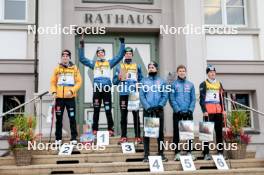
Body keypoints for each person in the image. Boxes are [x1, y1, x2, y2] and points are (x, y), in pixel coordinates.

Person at [79, 37, 125, 137]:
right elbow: (82, 59)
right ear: (97, 55)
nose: (100, 54)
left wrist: (122, 44)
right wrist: (81, 46)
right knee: (96, 109)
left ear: (104, 53)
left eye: (102, 52)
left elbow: (119, 56)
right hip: (97, 89)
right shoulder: (93, 63)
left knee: (108, 109)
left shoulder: (109, 63)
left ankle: (110, 129)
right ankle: (95, 129)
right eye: (99, 52)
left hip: (107, 89)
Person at [50, 49, 82, 145]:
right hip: (59, 98)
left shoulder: (75, 69)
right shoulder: (57, 69)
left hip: (70, 98)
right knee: (59, 119)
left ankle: (73, 138)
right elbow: (53, 82)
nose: (65, 57)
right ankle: (58, 138)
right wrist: (54, 92)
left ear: (69, 57)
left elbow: (79, 82)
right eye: (63, 56)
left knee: (72, 118)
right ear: (61, 57)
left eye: (67, 56)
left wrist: (72, 91)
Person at [113, 47, 143, 145]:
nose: (128, 55)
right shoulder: (119, 67)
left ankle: (138, 136)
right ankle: (123, 137)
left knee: (136, 116)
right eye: (126, 53)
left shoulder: (137, 66)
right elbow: (114, 82)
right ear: (124, 55)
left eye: (130, 53)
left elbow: (142, 80)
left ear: (132, 55)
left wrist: (139, 86)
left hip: (134, 94)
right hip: (123, 94)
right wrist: (118, 78)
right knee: (123, 116)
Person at [140, 61, 168, 162]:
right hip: (148, 110)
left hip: (159, 110)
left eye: (153, 67)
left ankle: (161, 153)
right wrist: (147, 107)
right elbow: (142, 95)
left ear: (157, 69)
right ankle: (146, 155)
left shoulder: (162, 81)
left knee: (160, 133)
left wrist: (160, 105)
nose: (151, 69)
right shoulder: (144, 81)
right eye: (149, 67)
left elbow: (165, 95)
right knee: (147, 133)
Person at [169, 65, 196, 161]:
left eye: (183, 71)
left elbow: (193, 99)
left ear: (186, 72)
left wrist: (190, 110)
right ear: (177, 72)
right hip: (178, 113)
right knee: (176, 133)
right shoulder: (173, 84)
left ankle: (189, 152)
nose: (182, 72)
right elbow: (171, 99)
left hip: (188, 112)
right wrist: (178, 110)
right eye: (180, 71)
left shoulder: (191, 85)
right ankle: (177, 152)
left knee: (188, 133)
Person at [199, 64, 226, 160]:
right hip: (208, 112)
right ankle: (206, 153)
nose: (212, 74)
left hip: (218, 111)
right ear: (207, 74)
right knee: (206, 134)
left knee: (219, 133)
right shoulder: (203, 84)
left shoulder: (219, 84)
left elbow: (222, 98)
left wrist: (224, 110)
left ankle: (220, 152)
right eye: (210, 72)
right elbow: (201, 99)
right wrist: (204, 110)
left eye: (213, 72)